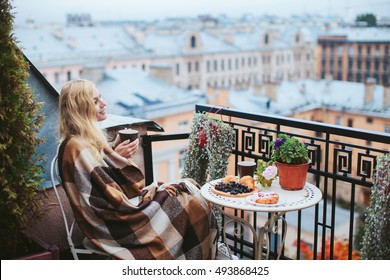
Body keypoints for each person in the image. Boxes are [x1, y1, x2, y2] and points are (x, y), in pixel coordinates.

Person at [58, 79, 218, 260]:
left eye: (100, 98)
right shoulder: (77, 147)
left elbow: (102, 180)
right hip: (115, 224)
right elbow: (113, 196)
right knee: (188, 198)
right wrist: (119, 160)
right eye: (95, 101)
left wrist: (114, 154)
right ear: (80, 108)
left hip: (113, 215)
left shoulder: (82, 140)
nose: (103, 104)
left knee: (183, 190)